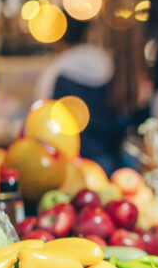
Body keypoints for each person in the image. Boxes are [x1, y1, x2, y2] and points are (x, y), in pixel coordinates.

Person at [35, 14, 122, 174]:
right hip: (109, 157)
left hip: (68, 161)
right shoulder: (109, 64)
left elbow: (41, 119)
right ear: (87, 33)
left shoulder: (56, 71)